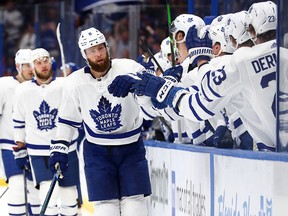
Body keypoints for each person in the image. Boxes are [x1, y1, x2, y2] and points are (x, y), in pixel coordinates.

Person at [118, 1, 280, 151]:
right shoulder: (279, 54)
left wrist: (160, 90)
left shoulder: (229, 63)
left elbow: (194, 108)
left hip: (257, 148)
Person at [49, 27, 151, 216]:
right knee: (106, 209)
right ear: (84, 54)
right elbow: (68, 121)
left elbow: (151, 107)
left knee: (135, 207)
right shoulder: (74, 83)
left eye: (100, 48)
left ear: (107, 48)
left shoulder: (130, 69)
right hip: (97, 152)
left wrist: (141, 86)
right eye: (92, 51)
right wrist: (60, 147)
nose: (98, 54)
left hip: (131, 148)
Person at [12, 48, 80, 215]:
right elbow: (19, 121)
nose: (43, 65)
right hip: (38, 151)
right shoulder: (22, 90)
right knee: (47, 195)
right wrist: (20, 148)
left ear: (51, 62)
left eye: (45, 61)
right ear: (32, 67)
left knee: (69, 196)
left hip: (66, 149)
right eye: (38, 62)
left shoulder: (65, 85)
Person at [0, 49, 40, 215]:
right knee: (17, 188)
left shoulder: (38, 87)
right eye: (26, 66)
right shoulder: (5, 85)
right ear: (17, 66)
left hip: (35, 146)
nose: (30, 69)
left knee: (35, 190)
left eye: (32, 65)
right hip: (11, 145)